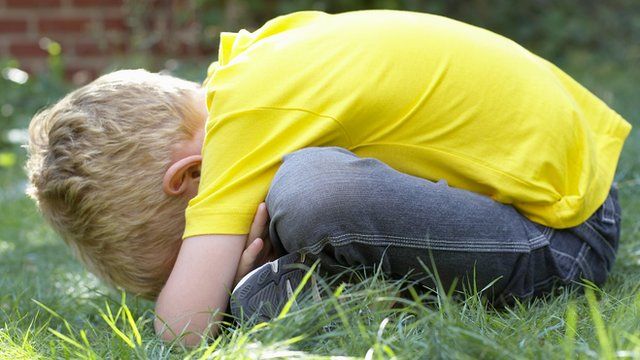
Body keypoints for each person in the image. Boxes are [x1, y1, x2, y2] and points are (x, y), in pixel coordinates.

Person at [26, 10, 631, 345]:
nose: (208, 252)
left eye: (188, 249)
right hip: (517, 204)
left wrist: (203, 290)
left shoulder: (247, 115)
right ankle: (369, 298)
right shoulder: (257, 64)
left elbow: (179, 331)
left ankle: (365, 297)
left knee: (310, 188)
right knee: (262, 292)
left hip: (559, 237)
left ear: (190, 177)